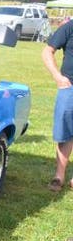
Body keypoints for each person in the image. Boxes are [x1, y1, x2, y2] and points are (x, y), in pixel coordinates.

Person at [42, 20, 73, 192]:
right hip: (69, 87)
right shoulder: (69, 27)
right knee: (65, 133)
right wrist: (57, 76)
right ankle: (59, 176)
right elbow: (47, 51)